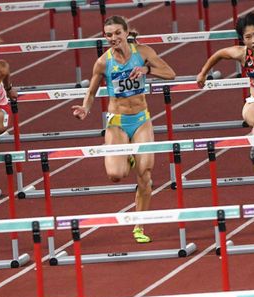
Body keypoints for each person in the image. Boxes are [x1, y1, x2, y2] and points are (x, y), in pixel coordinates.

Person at [73, 16, 176, 243]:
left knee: (145, 176)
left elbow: (171, 73)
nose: (113, 38)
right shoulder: (103, 62)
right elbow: (90, 91)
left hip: (141, 120)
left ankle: (139, 225)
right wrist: (85, 109)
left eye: (117, 33)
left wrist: (146, 70)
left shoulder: (143, 52)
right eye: (108, 35)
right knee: (115, 175)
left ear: (127, 32)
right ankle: (126, 155)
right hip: (117, 122)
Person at [196, 12, 254, 202]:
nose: (253, 40)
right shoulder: (242, 53)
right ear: (242, 39)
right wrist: (203, 73)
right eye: (248, 37)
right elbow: (219, 54)